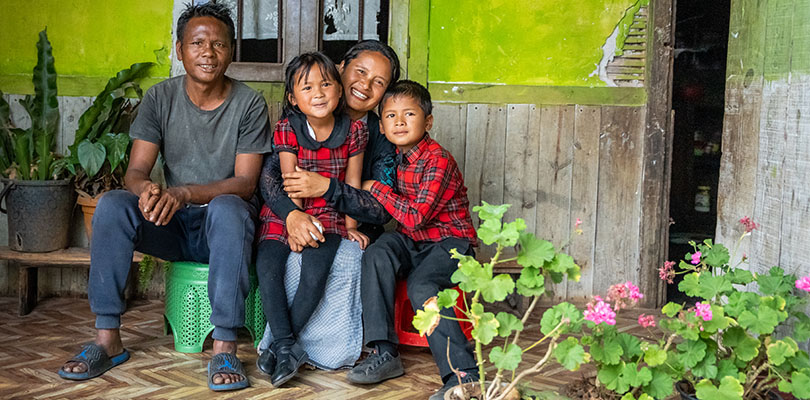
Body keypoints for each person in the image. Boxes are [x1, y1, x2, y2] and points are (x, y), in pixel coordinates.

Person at [58, 2, 271, 392]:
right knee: (112, 204)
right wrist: (148, 191)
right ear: (179, 49)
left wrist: (185, 193)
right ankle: (108, 337)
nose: (208, 52)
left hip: (221, 229)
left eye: (219, 45)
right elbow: (135, 172)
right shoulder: (159, 98)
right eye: (198, 43)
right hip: (171, 225)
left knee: (229, 208)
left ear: (231, 51)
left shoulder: (249, 103)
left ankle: (225, 345)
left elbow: (245, 183)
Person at [255, 40, 400, 371]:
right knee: (275, 261)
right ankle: (285, 345)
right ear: (341, 68)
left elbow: (381, 206)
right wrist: (293, 216)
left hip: (341, 223)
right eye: (360, 72)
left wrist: (329, 189)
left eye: (378, 82)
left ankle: (317, 349)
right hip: (292, 215)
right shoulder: (296, 121)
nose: (365, 85)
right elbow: (271, 177)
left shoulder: (378, 132)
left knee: (332, 260)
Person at [345, 80, 479, 400]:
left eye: (409, 114)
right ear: (383, 124)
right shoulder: (393, 157)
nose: (399, 122)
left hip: (451, 242)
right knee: (377, 254)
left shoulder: (437, 160)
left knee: (422, 285)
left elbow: (416, 216)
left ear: (428, 121)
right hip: (412, 241)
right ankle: (384, 352)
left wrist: (375, 188)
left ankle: (463, 374)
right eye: (390, 116)